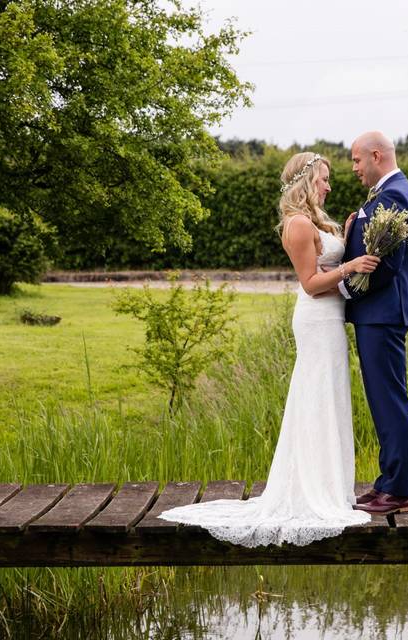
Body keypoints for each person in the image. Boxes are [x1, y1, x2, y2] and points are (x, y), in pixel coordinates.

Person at [158, 152, 377, 546]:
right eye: (324, 179)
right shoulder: (295, 223)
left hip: (331, 319)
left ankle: (330, 486)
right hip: (316, 319)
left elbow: (329, 260)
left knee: (329, 396)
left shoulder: (316, 221)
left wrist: (347, 235)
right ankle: (309, 490)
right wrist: (351, 266)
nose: (329, 186)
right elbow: (310, 282)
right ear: (305, 182)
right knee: (314, 395)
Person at [338, 131, 408, 516]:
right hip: (379, 314)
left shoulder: (395, 195)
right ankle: (388, 483)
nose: (354, 168)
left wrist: (346, 292)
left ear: (376, 155)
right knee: (382, 400)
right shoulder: (387, 193)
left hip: (383, 313)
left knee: (390, 401)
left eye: (357, 160)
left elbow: (386, 264)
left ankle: (401, 490)